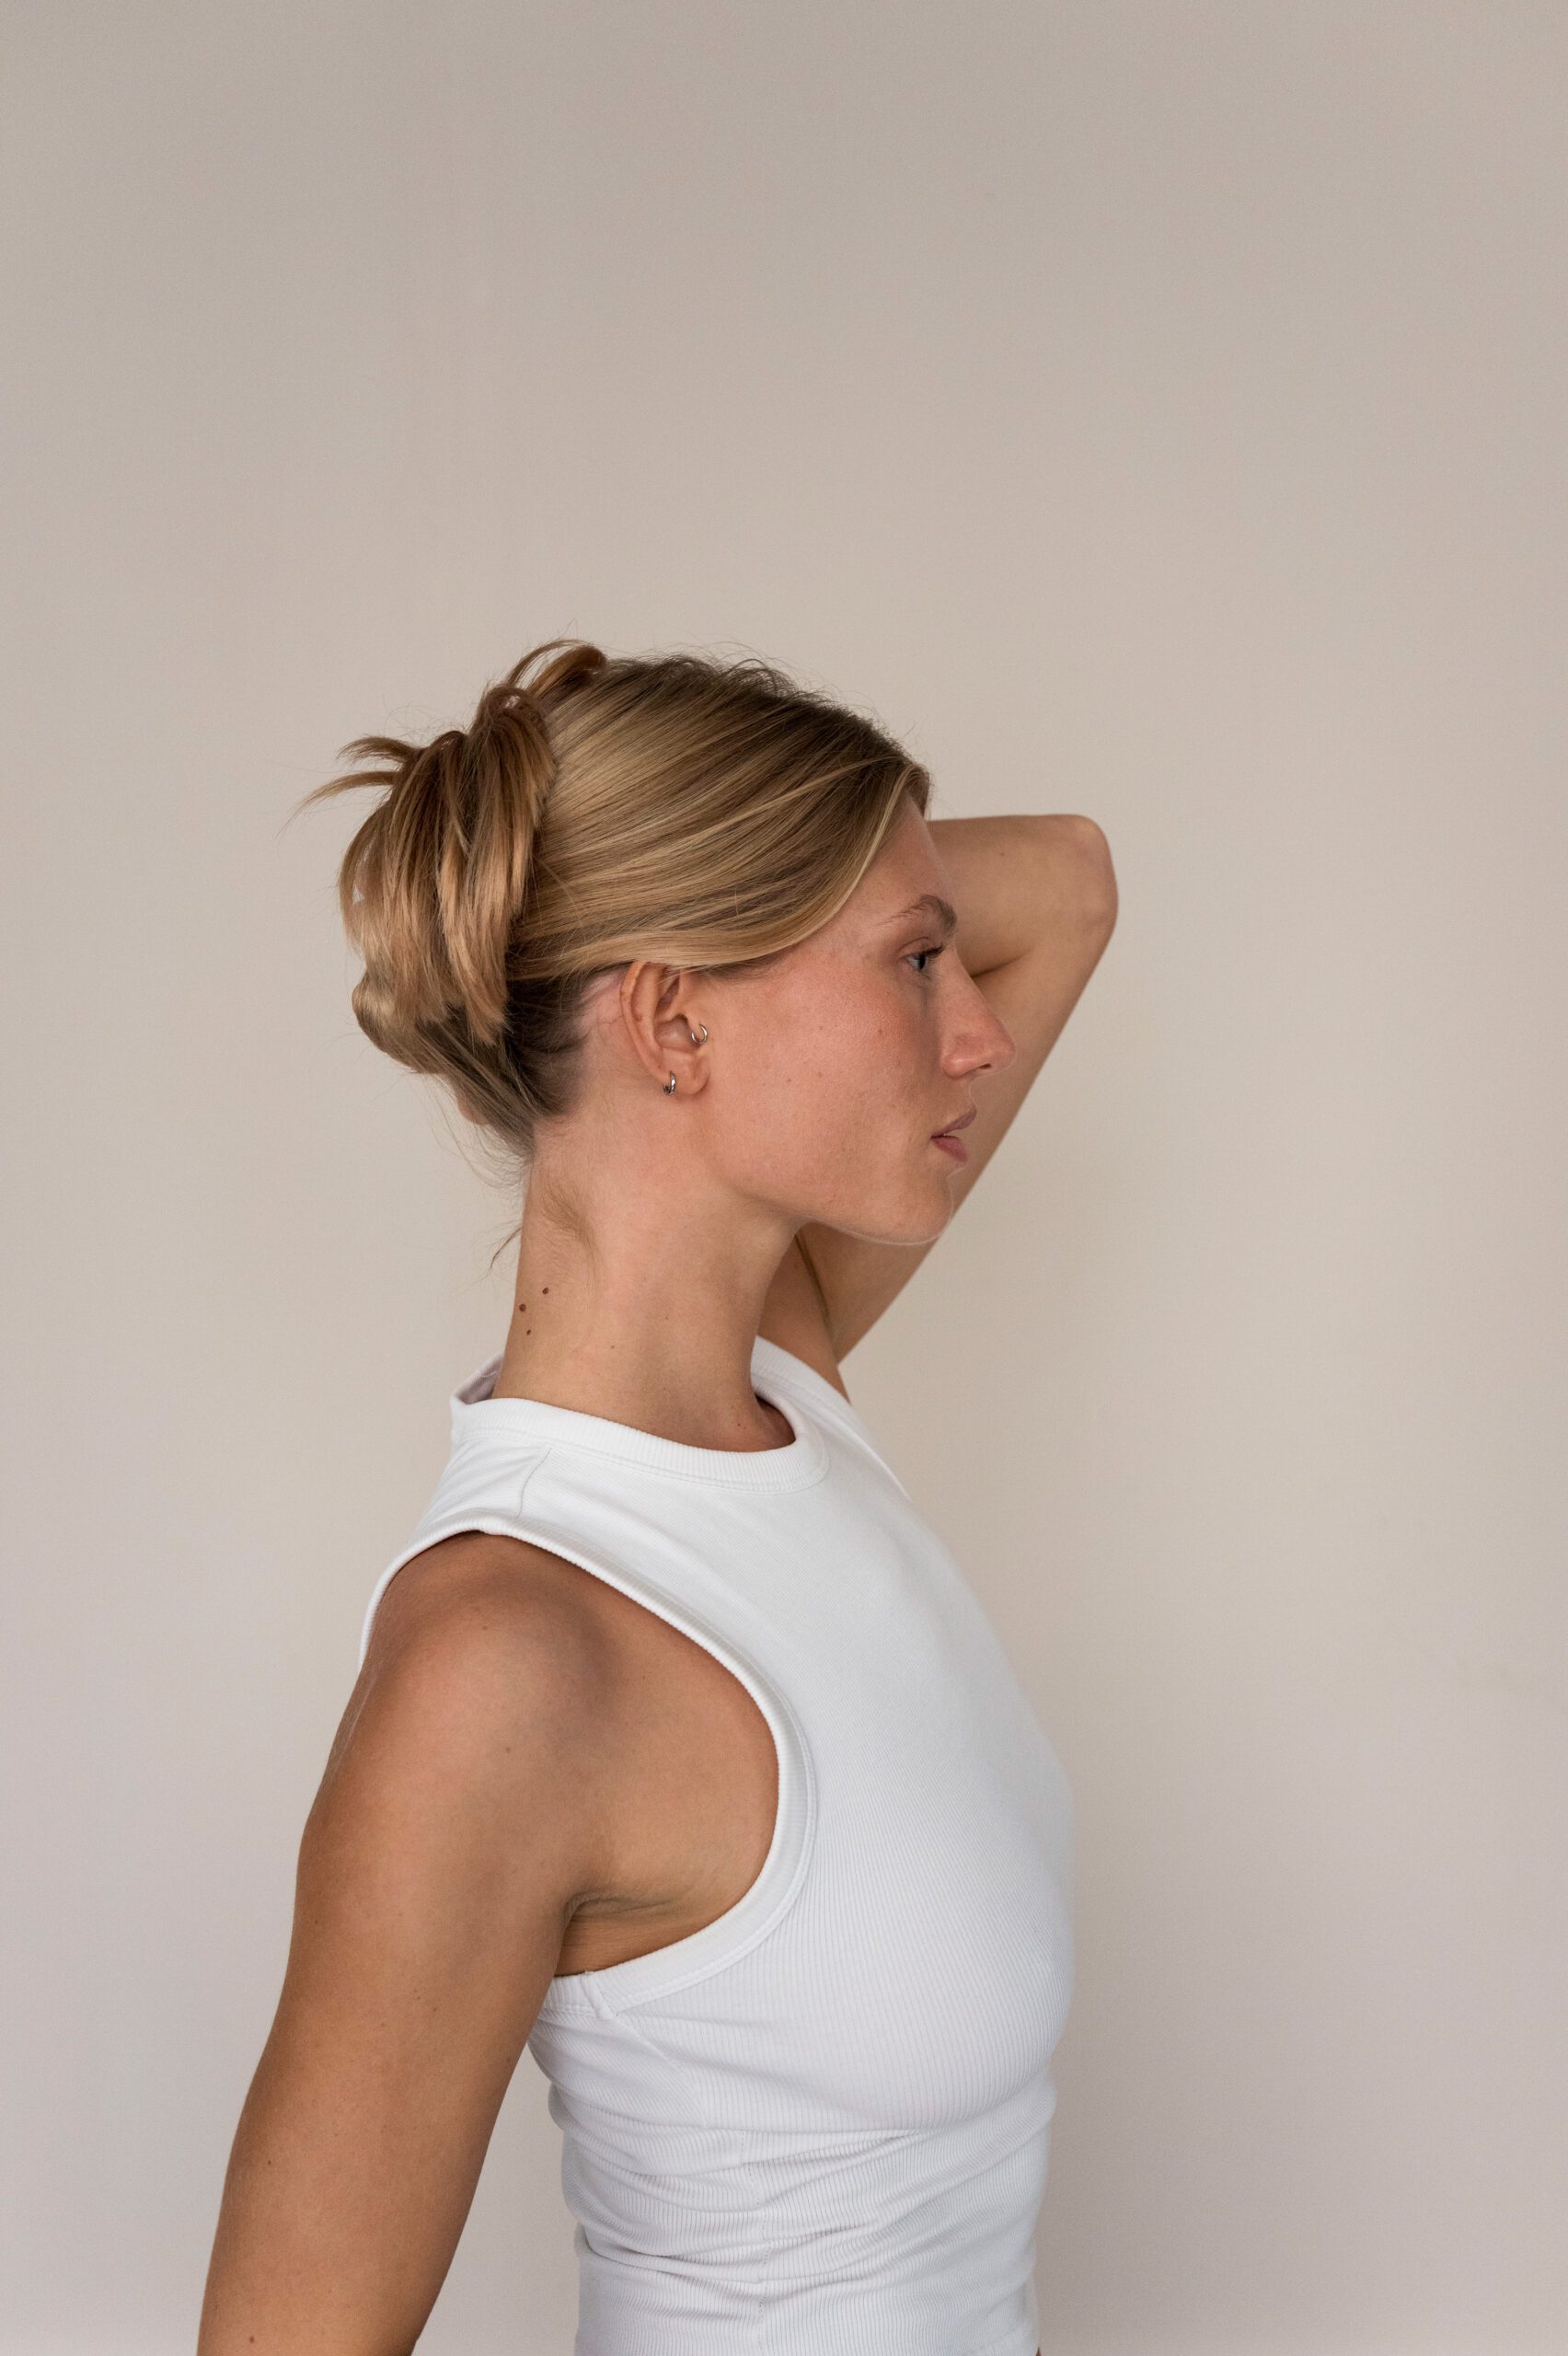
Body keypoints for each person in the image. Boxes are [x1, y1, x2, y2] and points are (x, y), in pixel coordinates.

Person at [197, 637, 1118, 2355]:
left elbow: (1069, 878)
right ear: (674, 1020)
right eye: (918, 962)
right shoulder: (506, 1659)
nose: (979, 1031)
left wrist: (632, 863)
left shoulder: (786, 1376)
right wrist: (719, 880)